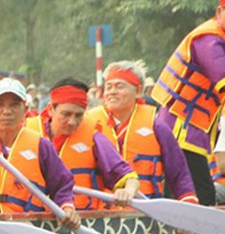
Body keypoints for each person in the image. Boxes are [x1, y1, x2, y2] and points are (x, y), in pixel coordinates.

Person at [151, 0, 225, 205]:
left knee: (193, 196)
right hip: (180, 129)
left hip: (193, 130)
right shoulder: (209, 40)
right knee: (198, 197)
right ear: (219, 11)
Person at [0, 78, 80, 230]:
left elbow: (62, 185)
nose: (7, 111)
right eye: (0, 105)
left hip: (27, 227)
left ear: (25, 110)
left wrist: (67, 207)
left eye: (14, 105)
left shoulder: (41, 145)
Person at [88, 61, 198, 203]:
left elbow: (178, 172)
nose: (112, 92)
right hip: (100, 213)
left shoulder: (157, 126)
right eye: (108, 87)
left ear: (138, 91)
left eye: (119, 86)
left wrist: (188, 202)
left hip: (146, 208)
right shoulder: (89, 123)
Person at [25, 77, 139, 210]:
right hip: (35, 221)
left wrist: (127, 192)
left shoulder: (94, 137)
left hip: (82, 219)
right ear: (50, 109)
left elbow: (130, 178)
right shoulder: (27, 132)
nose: (72, 122)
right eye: (66, 114)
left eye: (78, 115)